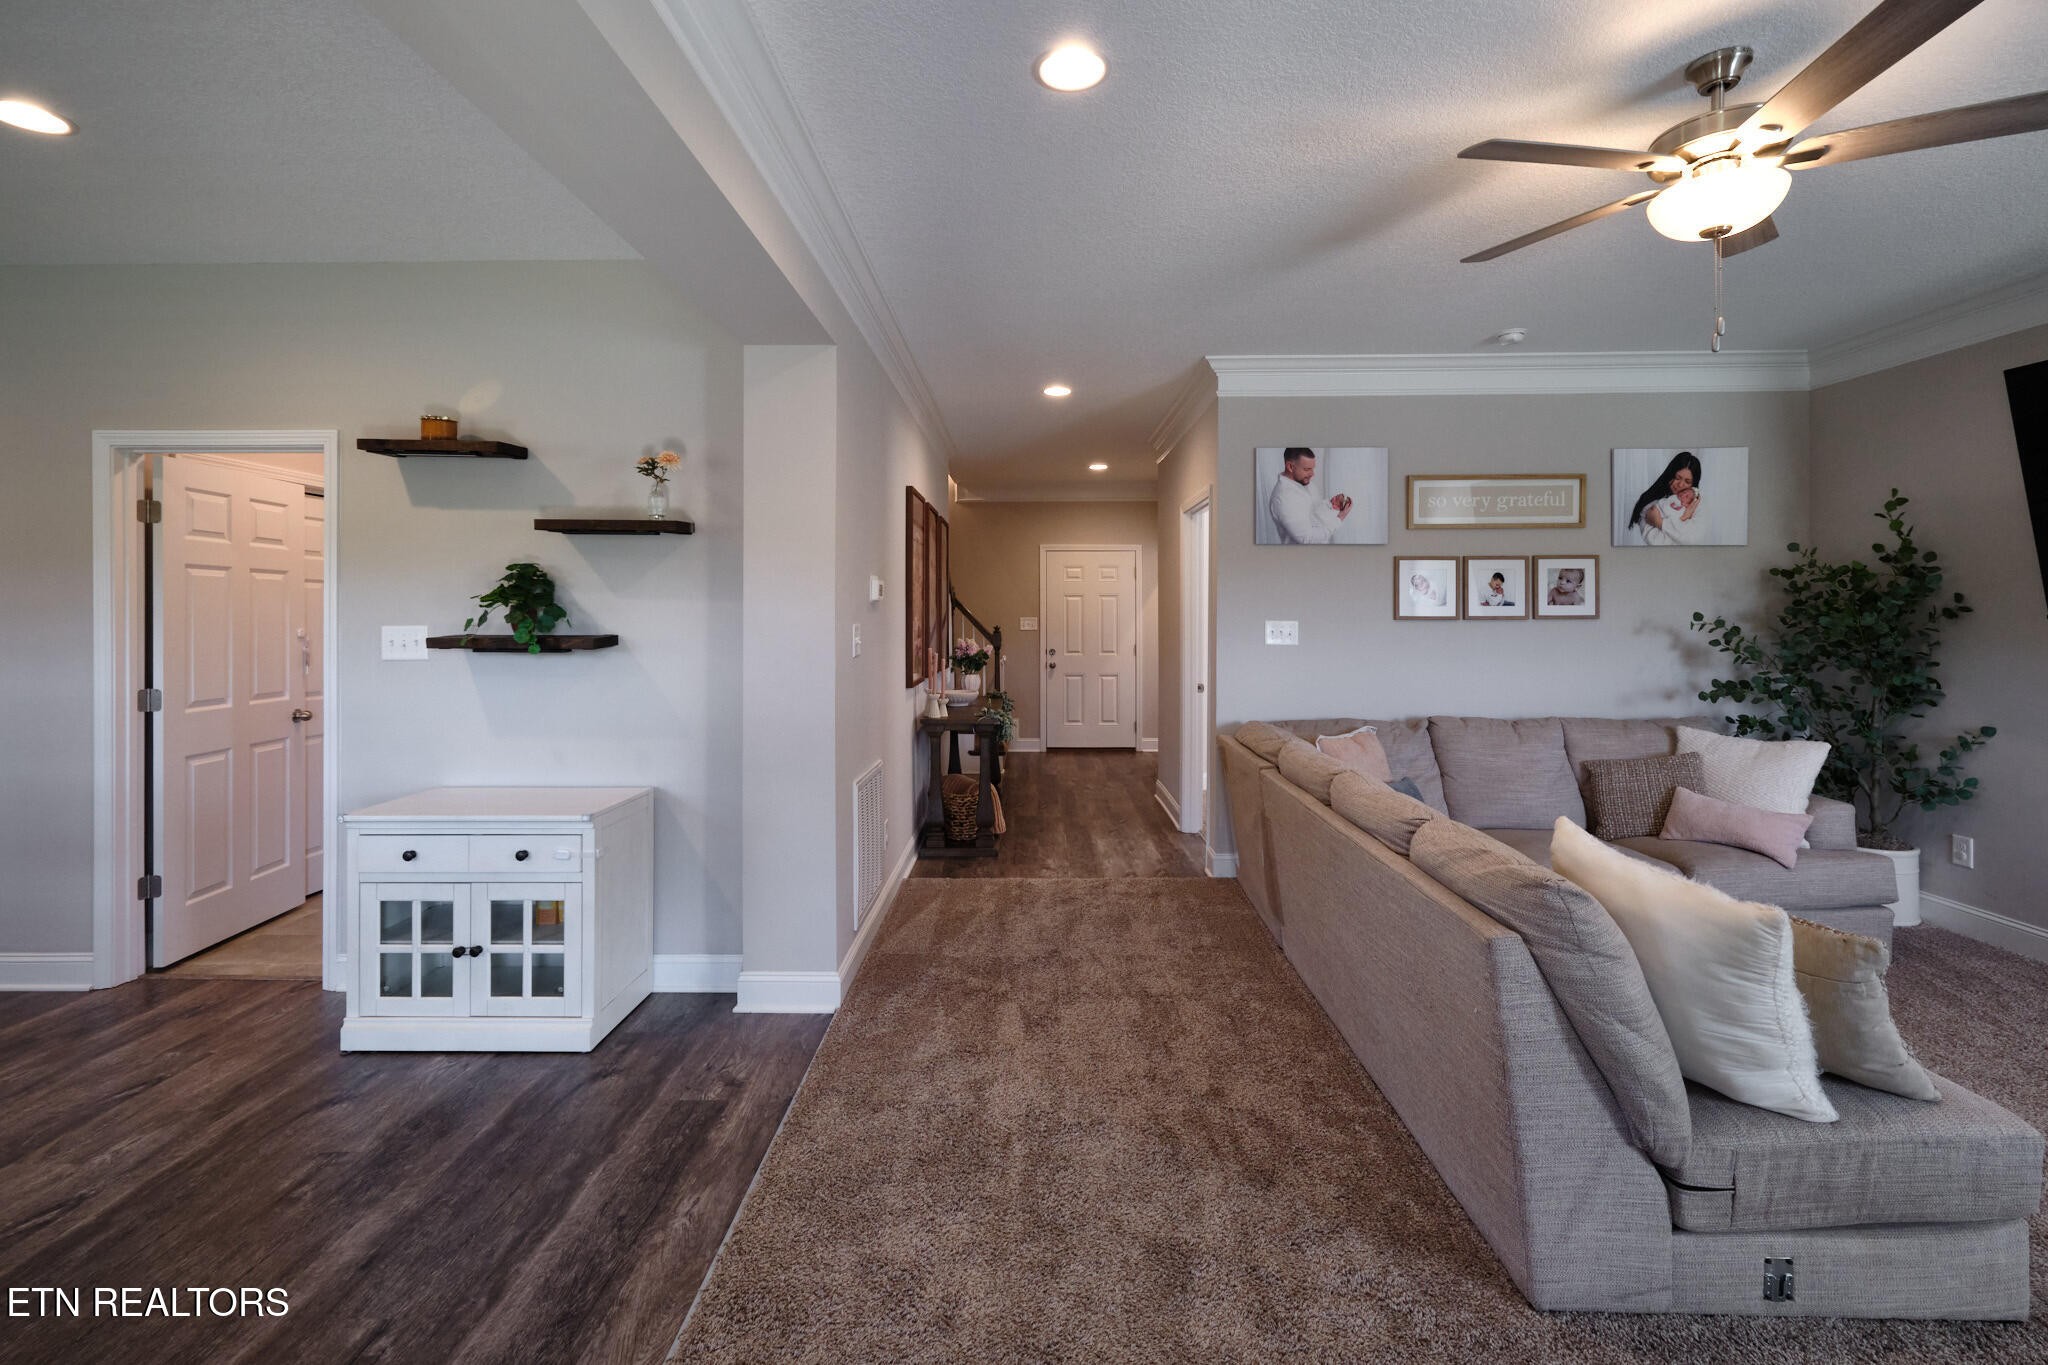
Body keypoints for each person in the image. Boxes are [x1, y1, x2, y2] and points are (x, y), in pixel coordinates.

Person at [1268, 447, 1352, 544]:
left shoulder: (1305, 482)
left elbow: (1315, 512)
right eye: (1307, 469)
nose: (1312, 474)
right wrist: (1340, 518)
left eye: (1312, 468)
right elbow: (1307, 538)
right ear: (1290, 467)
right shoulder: (1283, 498)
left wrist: (1333, 504)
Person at [1626, 451, 1707, 546]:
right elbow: (1657, 542)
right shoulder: (1651, 503)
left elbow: (1693, 540)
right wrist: (1685, 518)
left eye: (1687, 481)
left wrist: (1660, 523)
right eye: (1677, 477)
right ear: (1670, 474)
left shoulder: (1698, 504)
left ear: (1693, 484)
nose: (1680, 485)